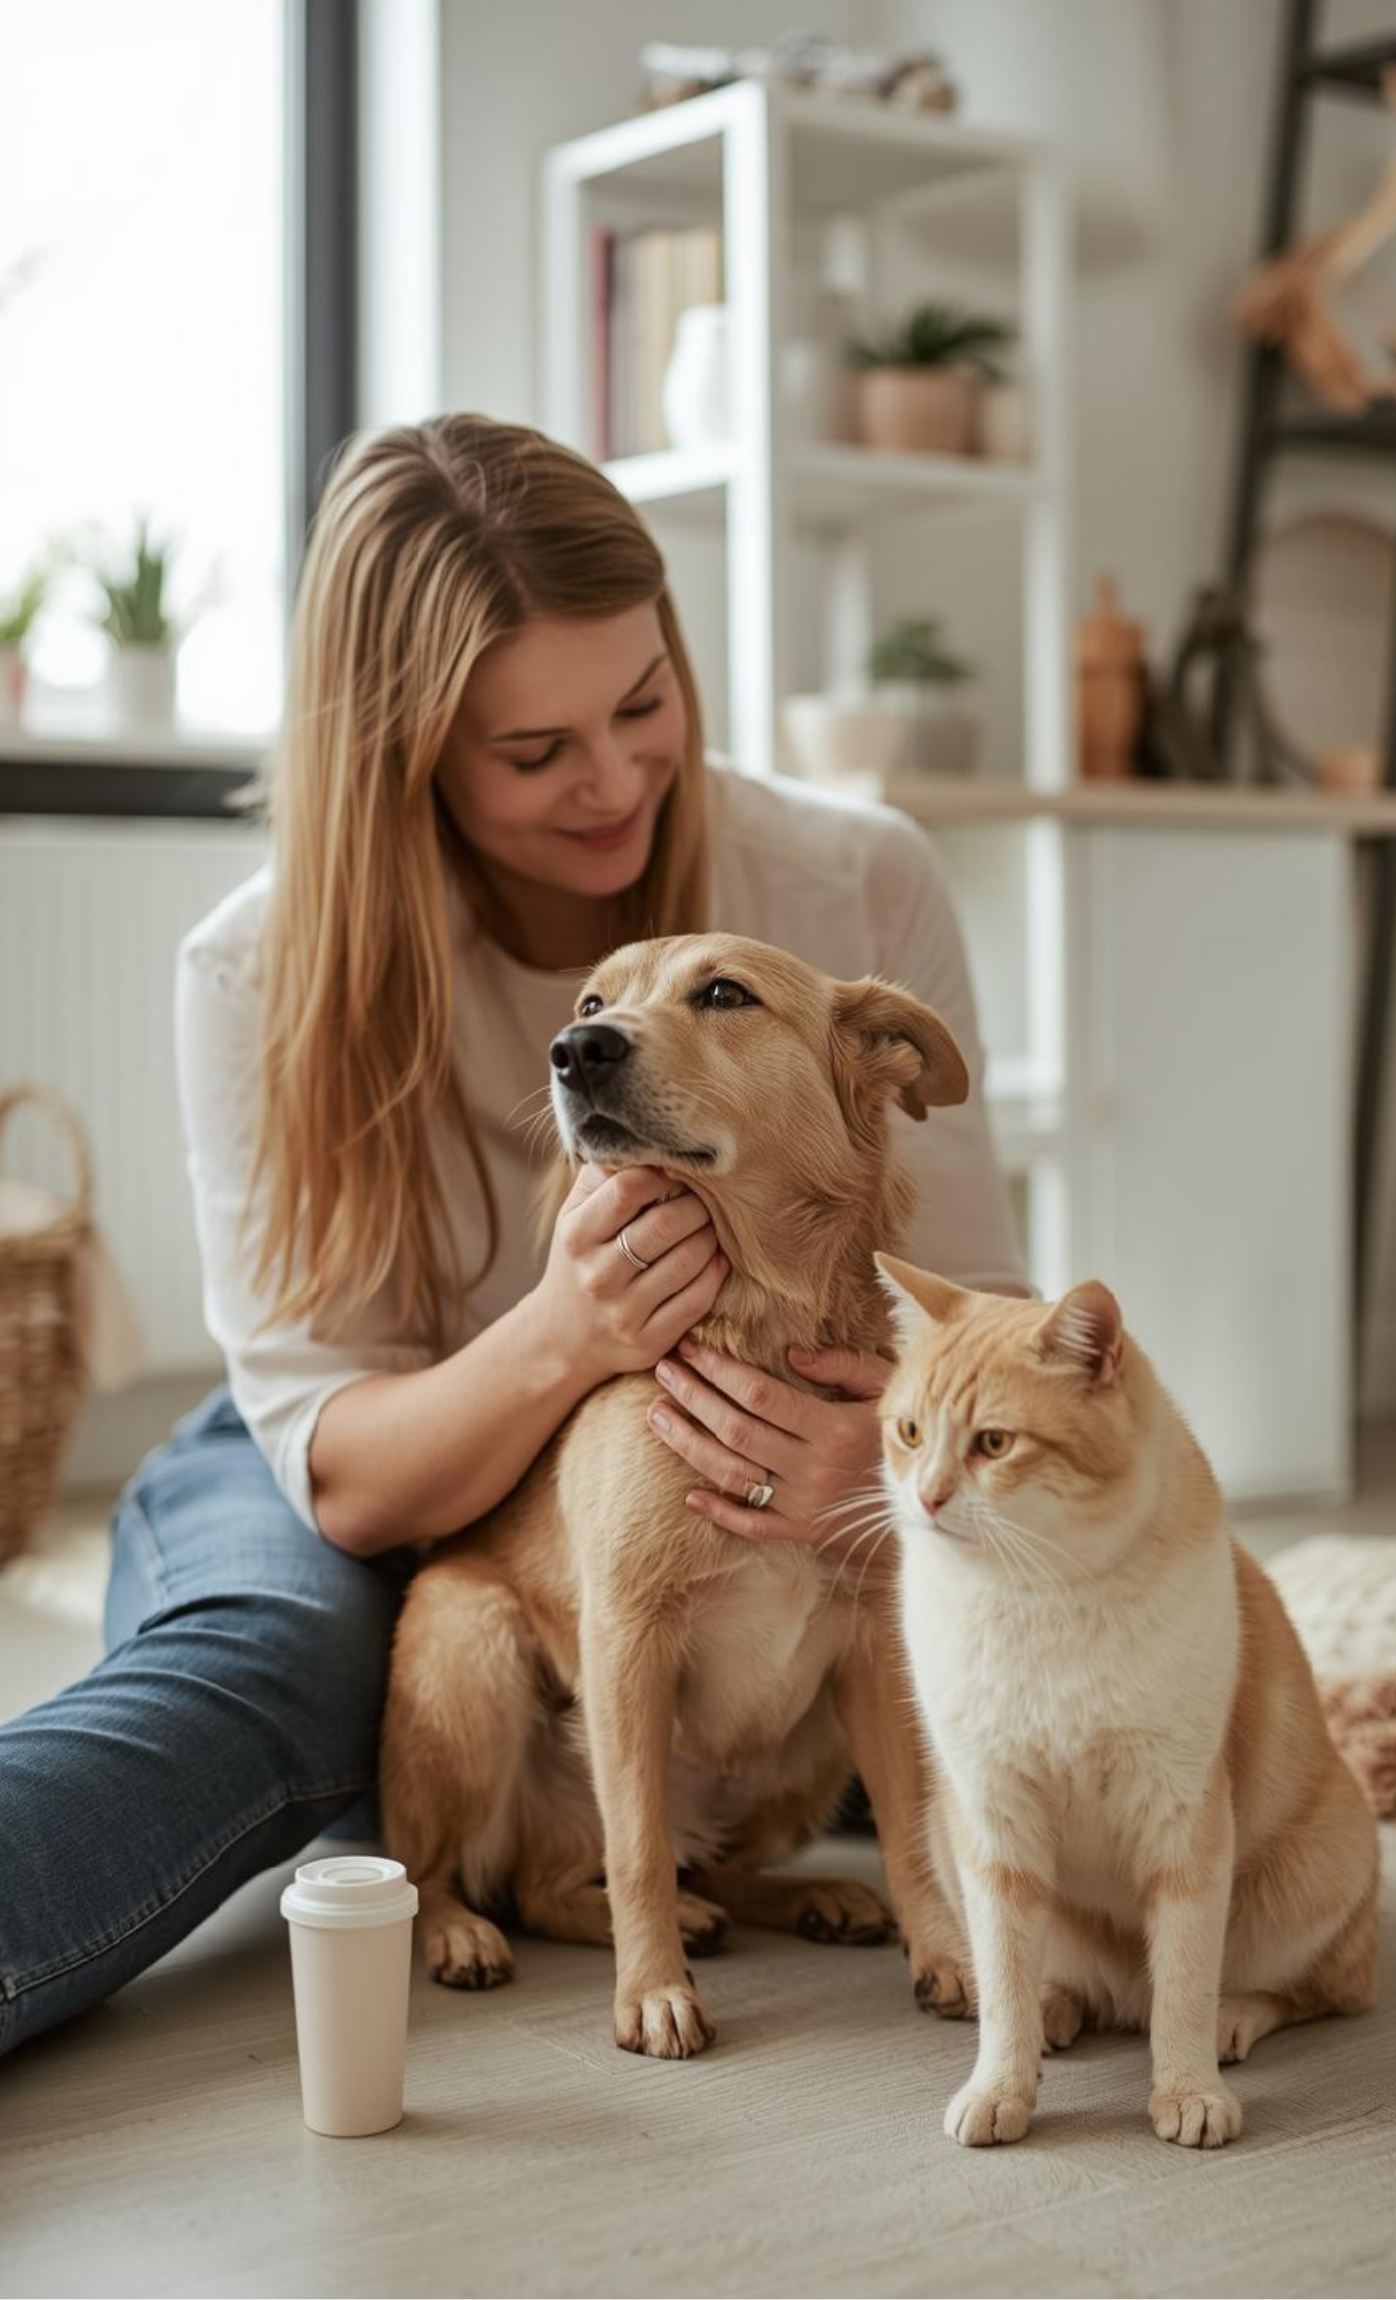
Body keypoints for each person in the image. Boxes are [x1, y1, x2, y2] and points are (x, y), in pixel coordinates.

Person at [0, 416, 1025, 2058]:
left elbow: (983, 1301)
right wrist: (568, 1332)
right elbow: (337, 1466)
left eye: (638, 705)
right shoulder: (256, 972)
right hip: (372, 1464)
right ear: (406, 754)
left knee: (1039, 1581)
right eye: (533, 752)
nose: (614, 779)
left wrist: (868, 1466)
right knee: (276, 1682)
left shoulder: (848, 881)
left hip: (739, 1445)